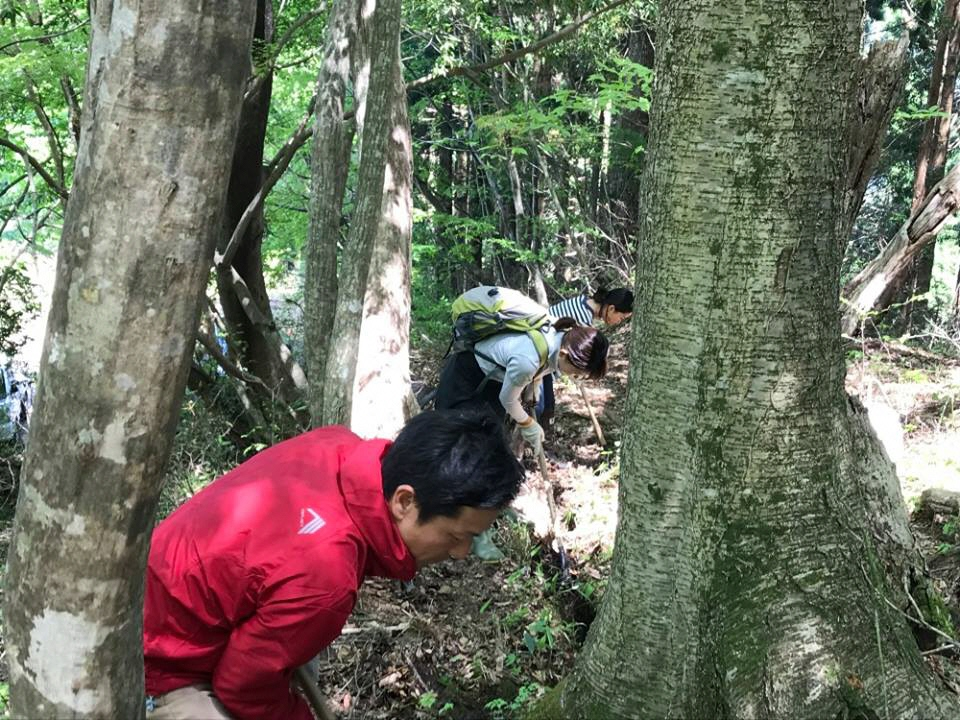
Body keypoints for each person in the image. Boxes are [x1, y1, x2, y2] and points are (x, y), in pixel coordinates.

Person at [143, 409, 524, 720]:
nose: (459, 553)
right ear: (404, 502)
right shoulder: (326, 577)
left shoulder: (338, 445)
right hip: (158, 660)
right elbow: (242, 685)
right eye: (456, 536)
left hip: (166, 593)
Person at [435, 317, 609, 455]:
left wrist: (535, 386)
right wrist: (528, 423)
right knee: (453, 434)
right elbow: (508, 399)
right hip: (467, 373)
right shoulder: (527, 361)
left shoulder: (561, 335)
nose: (573, 377)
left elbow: (542, 365)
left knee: (486, 435)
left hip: (496, 378)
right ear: (564, 354)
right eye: (575, 372)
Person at [538, 287, 633, 428]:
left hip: (543, 355)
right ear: (612, 309)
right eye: (622, 318)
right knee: (543, 408)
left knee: (545, 407)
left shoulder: (583, 301)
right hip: (540, 358)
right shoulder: (583, 320)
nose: (619, 322)